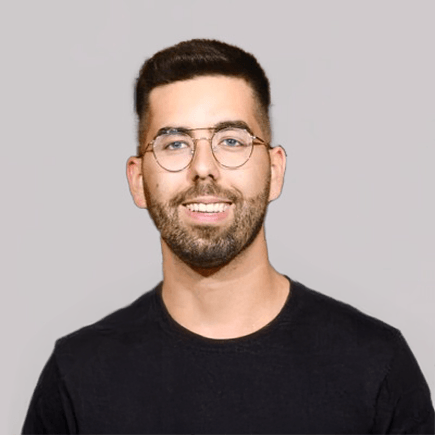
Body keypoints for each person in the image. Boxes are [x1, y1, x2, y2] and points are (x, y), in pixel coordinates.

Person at [22, 39, 434, 434]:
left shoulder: (375, 365)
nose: (204, 167)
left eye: (232, 141)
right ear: (137, 180)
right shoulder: (76, 376)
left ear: (274, 171)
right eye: (175, 143)